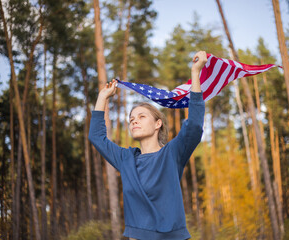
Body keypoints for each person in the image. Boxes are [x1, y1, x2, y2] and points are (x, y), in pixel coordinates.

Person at [88, 51, 207, 240]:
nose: (134, 121)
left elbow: (193, 125)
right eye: (131, 119)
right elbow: (96, 137)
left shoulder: (172, 154)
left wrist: (195, 73)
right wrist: (102, 97)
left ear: (157, 124)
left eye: (142, 117)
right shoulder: (125, 160)